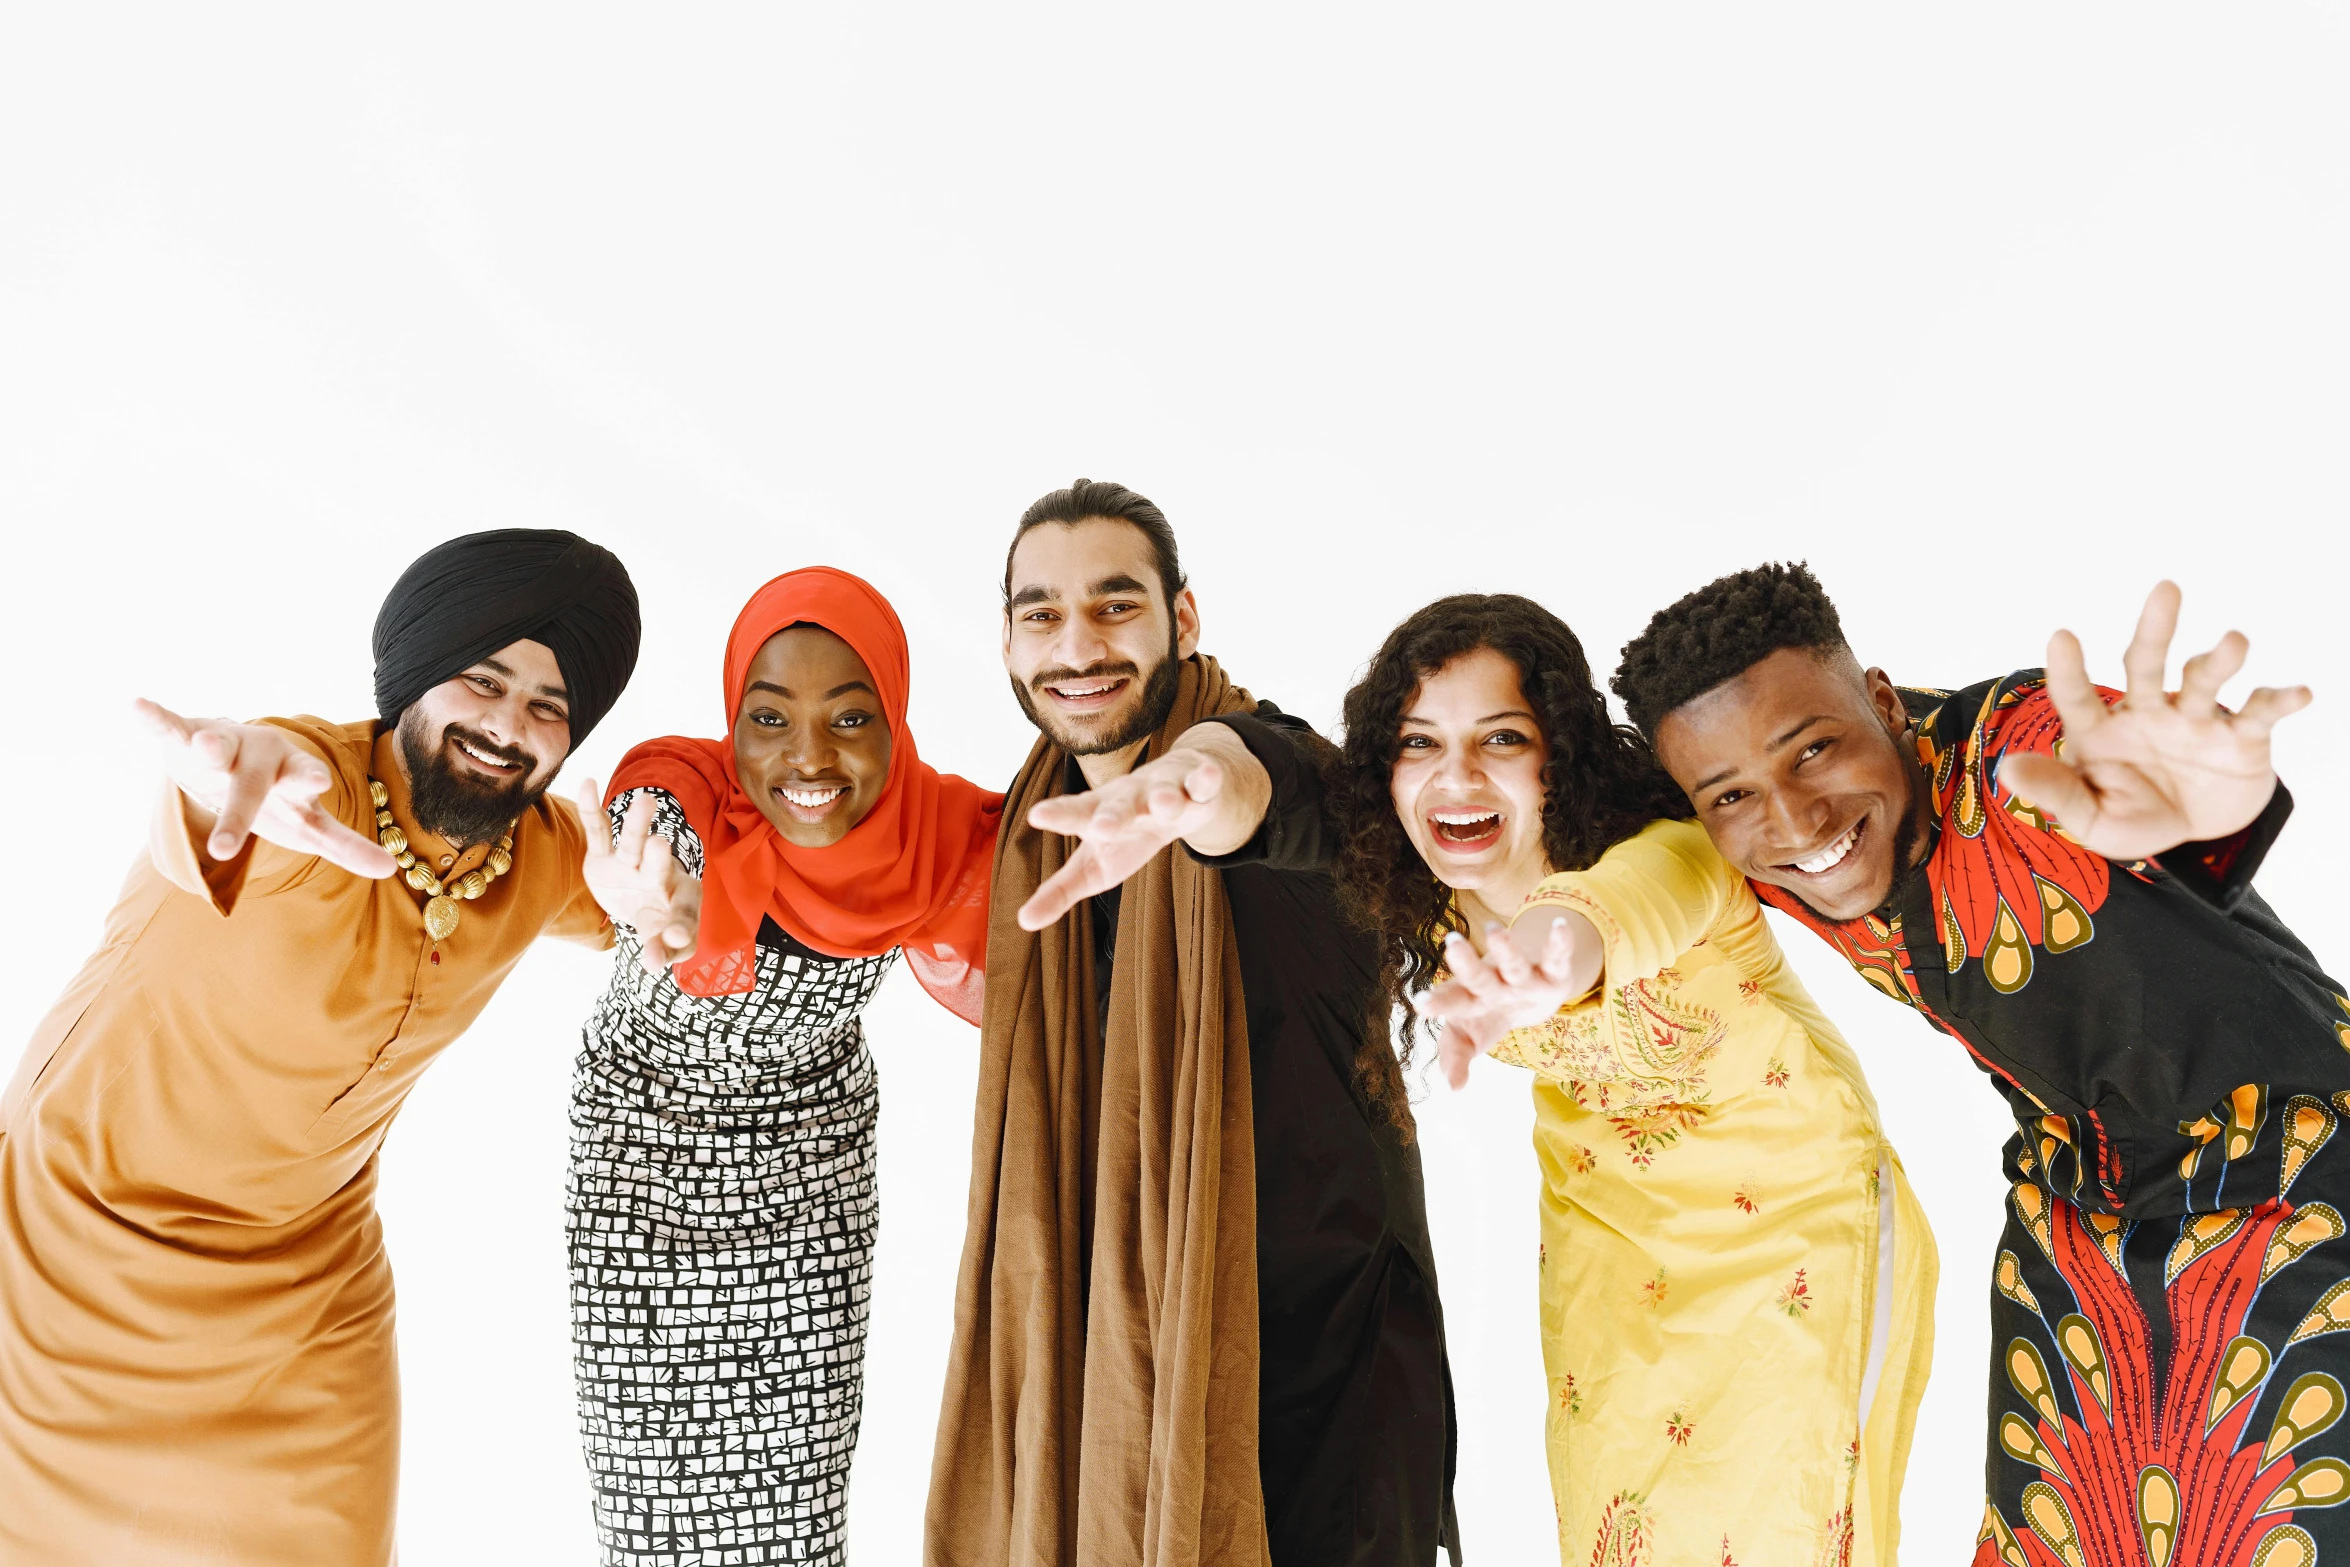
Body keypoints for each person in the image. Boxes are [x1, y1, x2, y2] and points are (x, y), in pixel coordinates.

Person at [1611, 564, 2344, 1564]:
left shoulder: (2019, 758)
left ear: (1881, 700)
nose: (1796, 821)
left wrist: (2208, 803)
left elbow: (2120, 772)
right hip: (2076, 1197)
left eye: (1813, 748)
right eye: (1733, 792)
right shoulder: (1747, 846)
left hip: (2295, 1167)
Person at [0, 528, 696, 1567]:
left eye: (547, 707)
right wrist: (224, 777)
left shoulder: (537, 856)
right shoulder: (299, 794)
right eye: (480, 680)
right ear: (415, 675)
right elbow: (221, 798)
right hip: (71, 1266)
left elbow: (641, 906)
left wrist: (663, 905)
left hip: (304, 1296)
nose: (507, 727)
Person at [1337, 594, 1935, 1566]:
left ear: (1557, 751)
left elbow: (1600, 916)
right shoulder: (1414, 896)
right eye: (1418, 743)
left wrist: (1542, 962)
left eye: (1499, 737)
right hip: (1610, 1263)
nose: (1456, 778)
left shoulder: (1670, 851)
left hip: (1794, 1235)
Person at [926, 480, 1458, 1567]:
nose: (1078, 644)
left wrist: (1195, 786)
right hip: (1117, 1378)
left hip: (1327, 1394)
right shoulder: (1034, 833)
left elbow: (1260, 789)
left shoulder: (1274, 759)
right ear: (1007, 639)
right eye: (1042, 614)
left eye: (1116, 604)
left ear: (1184, 618)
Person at [569, 566, 1001, 1567]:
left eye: (850, 719)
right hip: (642, 1166)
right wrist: (670, 916)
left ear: (893, 717)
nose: (808, 756)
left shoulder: (938, 837)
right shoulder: (677, 806)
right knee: (648, 1504)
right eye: (770, 718)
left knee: (796, 1507)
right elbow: (653, 855)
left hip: (811, 1174)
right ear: (735, 721)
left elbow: (1073, 922)